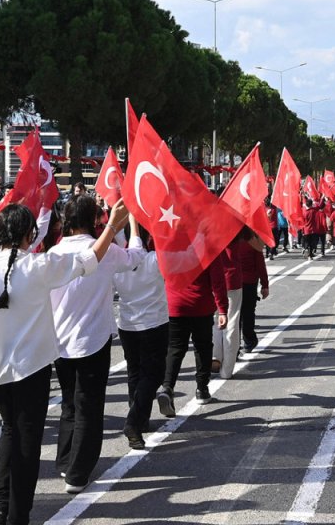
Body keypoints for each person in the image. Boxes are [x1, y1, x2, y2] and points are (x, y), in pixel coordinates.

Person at [0, 201, 126, 522]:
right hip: (32, 370)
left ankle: (2, 505)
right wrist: (112, 227)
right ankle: (18, 515)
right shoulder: (38, 267)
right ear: (30, 235)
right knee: (26, 444)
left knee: (9, 432)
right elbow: (88, 260)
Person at [45, 195, 141, 494]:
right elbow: (135, 259)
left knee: (70, 403)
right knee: (89, 405)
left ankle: (65, 461)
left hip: (59, 341)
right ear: (94, 219)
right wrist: (133, 228)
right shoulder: (106, 251)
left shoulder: (54, 253)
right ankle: (78, 472)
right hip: (92, 339)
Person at [156, 248, 235, 417]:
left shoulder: (170, 245)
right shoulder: (206, 247)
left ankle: (167, 386)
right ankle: (202, 388)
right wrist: (222, 309)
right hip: (201, 304)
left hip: (175, 304)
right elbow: (218, 280)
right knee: (203, 347)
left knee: (175, 349)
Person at [112, 217, 167, 450]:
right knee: (154, 374)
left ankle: (141, 418)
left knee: (134, 372)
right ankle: (134, 421)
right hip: (154, 323)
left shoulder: (118, 264)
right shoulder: (154, 259)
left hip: (128, 324)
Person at [229, 227, 270, 354]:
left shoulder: (228, 241)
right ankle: (249, 340)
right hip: (249, 282)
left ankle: (233, 346)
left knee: (234, 315)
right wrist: (265, 284)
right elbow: (260, 264)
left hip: (233, 282)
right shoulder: (253, 242)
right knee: (248, 312)